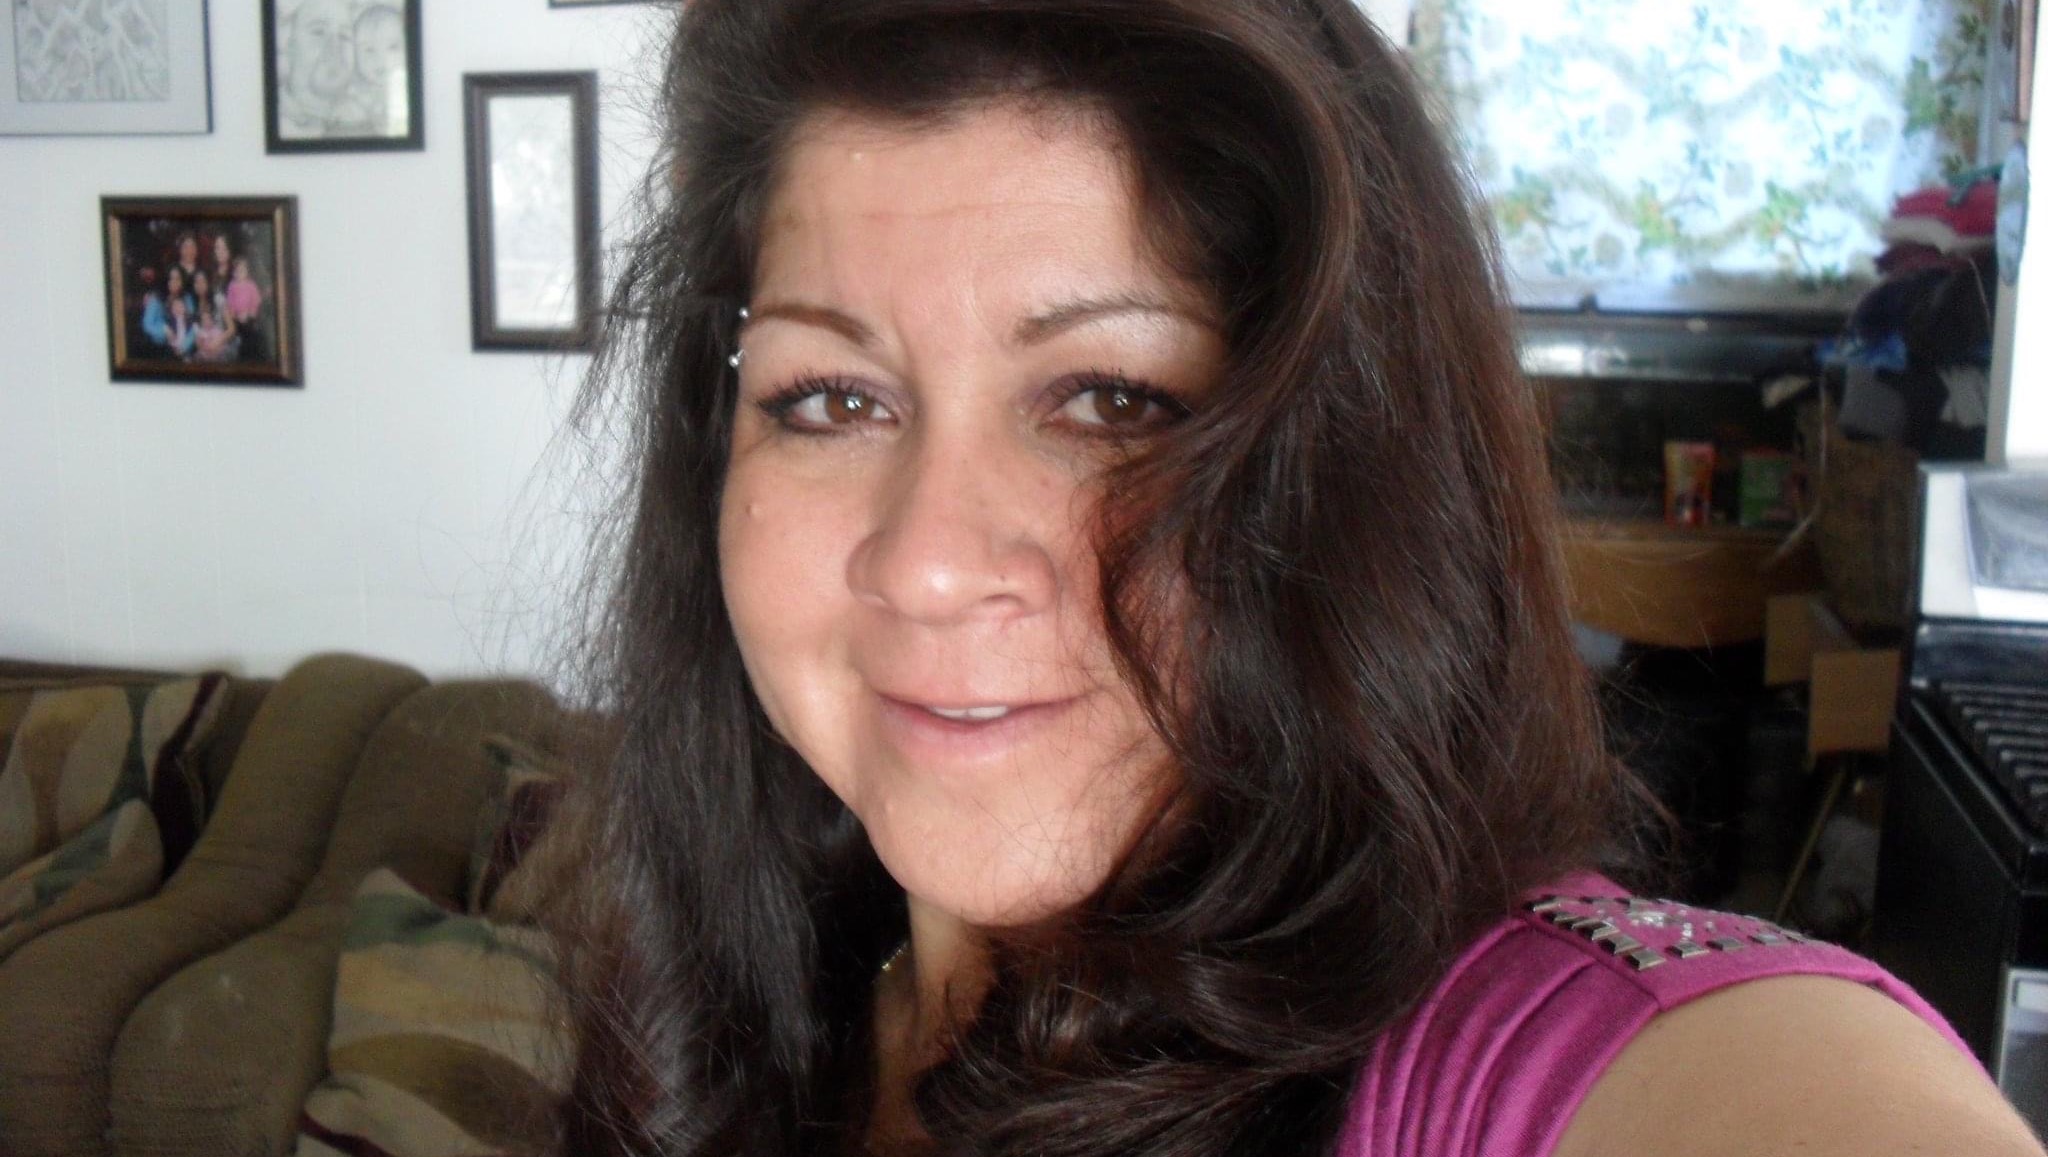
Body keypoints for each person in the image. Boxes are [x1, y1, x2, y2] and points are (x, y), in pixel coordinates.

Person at [550, 3, 2048, 1156]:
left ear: (1356, 484)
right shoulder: (709, 1027)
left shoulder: (1511, 1064)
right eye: (830, 398)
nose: (931, 561)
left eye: (1116, 400)